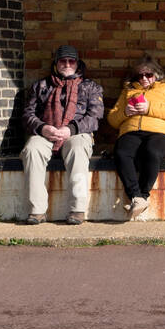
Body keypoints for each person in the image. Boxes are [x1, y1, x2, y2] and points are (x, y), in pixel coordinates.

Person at [20, 45, 104, 224]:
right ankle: (36, 211)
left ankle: (77, 209)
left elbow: (95, 117)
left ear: (78, 64)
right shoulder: (41, 86)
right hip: (46, 132)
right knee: (32, 149)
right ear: (56, 64)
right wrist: (43, 128)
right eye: (62, 61)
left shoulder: (90, 87)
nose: (67, 64)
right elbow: (28, 114)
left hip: (77, 133)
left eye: (71, 61)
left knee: (78, 148)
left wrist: (70, 130)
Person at [106, 57, 165, 221]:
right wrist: (125, 113)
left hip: (161, 133)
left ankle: (143, 195)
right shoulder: (128, 91)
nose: (143, 79)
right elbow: (112, 119)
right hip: (131, 132)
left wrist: (149, 108)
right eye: (139, 76)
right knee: (122, 152)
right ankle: (137, 197)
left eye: (148, 74)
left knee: (151, 151)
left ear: (156, 74)